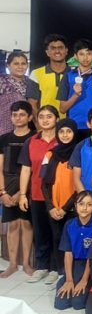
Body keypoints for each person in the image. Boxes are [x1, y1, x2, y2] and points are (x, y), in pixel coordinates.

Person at [17, 105, 59, 283]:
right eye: (41, 117)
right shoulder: (31, 141)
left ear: (56, 119)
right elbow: (26, 169)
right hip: (36, 195)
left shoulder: (63, 140)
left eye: (49, 116)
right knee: (41, 233)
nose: (45, 120)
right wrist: (22, 195)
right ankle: (42, 266)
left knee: (56, 233)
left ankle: (57, 269)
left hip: (57, 196)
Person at [0, 101, 35, 278]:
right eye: (14, 115)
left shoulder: (35, 137)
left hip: (28, 185)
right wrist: (3, 192)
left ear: (29, 117)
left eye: (22, 114)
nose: (18, 118)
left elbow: (34, 168)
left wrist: (21, 193)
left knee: (26, 223)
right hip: (7, 183)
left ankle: (27, 263)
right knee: (12, 224)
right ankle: (13, 264)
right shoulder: (4, 139)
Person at [40, 118, 79, 276]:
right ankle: (58, 270)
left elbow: (80, 184)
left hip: (71, 207)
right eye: (61, 131)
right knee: (56, 238)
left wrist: (65, 208)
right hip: (53, 207)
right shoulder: (49, 154)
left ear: (74, 133)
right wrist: (50, 207)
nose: (65, 135)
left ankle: (72, 272)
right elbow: (44, 184)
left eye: (68, 131)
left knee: (71, 239)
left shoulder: (79, 154)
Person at [54, 190, 92, 311]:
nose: (84, 208)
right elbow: (68, 253)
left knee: (77, 303)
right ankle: (65, 280)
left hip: (91, 265)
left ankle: (86, 286)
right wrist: (69, 280)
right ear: (75, 206)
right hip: (74, 264)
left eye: (89, 204)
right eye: (81, 204)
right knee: (60, 304)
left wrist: (84, 280)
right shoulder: (69, 224)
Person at [58, 39, 92, 138]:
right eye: (81, 54)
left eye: (89, 54)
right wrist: (75, 95)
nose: (85, 58)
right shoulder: (67, 77)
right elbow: (62, 109)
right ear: (75, 56)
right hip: (74, 127)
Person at [28, 33, 68, 118]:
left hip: (69, 127)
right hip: (46, 126)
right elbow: (32, 104)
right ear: (47, 52)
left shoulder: (75, 74)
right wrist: (39, 127)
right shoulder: (36, 74)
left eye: (60, 48)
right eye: (53, 48)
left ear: (66, 51)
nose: (57, 51)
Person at [0, 51, 37, 136]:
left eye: (23, 63)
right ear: (8, 66)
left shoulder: (31, 82)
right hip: (4, 126)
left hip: (26, 128)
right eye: (16, 64)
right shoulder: (2, 81)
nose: (20, 67)